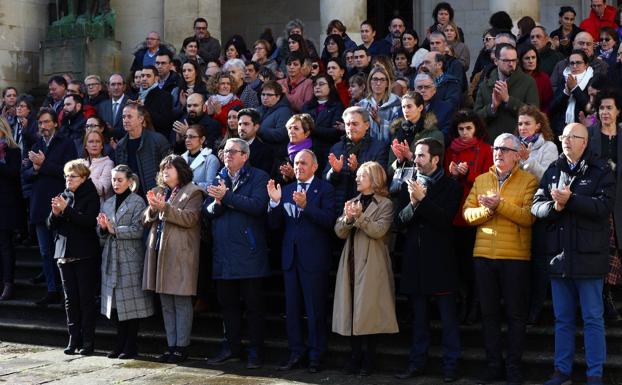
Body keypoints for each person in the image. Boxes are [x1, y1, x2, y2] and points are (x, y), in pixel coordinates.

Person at [533, 123, 615, 385]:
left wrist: (572, 201)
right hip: (559, 257)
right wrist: (555, 207)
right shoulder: (553, 169)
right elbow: (536, 207)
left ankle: (595, 375)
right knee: (563, 319)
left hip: (589, 257)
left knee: (592, 318)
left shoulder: (601, 170)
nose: (566, 141)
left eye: (573, 137)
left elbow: (604, 207)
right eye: (563, 136)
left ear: (585, 142)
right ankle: (562, 371)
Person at [463, 133, 538, 384]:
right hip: (483, 256)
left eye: (505, 149)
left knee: (516, 315)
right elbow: (467, 214)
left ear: (517, 155)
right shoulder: (482, 179)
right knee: (489, 315)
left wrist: (499, 205)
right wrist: (487, 209)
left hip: (515, 257)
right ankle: (494, 366)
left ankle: (514, 367)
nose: (498, 153)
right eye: (496, 148)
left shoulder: (529, 181)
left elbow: (528, 217)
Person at [394, 138, 462, 382]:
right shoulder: (408, 184)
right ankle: (416, 364)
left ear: (435, 159)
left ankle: (451, 367)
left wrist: (423, 201)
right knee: (419, 320)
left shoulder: (451, 186)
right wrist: (413, 203)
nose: (416, 160)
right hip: (415, 261)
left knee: (448, 320)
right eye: (416, 156)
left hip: (441, 261)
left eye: (421, 156)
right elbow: (399, 221)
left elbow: (444, 220)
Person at [266, 149, 336, 373]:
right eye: (296, 163)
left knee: (315, 311)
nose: (298, 167)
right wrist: (275, 204)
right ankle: (296, 352)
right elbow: (275, 225)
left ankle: (317, 356)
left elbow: (329, 221)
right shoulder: (286, 190)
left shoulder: (325, 189)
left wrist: (307, 207)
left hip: (314, 260)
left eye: (303, 163)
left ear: (315, 167)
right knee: (292, 310)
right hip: (290, 260)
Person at [204, 138, 270, 369]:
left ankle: (255, 352)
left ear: (245, 156)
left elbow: (257, 206)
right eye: (225, 151)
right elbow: (208, 209)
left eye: (233, 151)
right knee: (228, 306)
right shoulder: (219, 177)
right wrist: (218, 203)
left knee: (253, 308)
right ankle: (231, 347)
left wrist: (226, 197)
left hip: (249, 252)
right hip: (224, 254)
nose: (227, 155)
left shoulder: (259, 177)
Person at [332, 161, 398, 376]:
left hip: (372, 263)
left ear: (375, 179)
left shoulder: (386, 204)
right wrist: (348, 218)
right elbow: (339, 232)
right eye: (357, 175)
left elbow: (379, 231)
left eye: (362, 175)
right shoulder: (352, 201)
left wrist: (359, 217)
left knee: (369, 311)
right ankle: (354, 357)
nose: (357, 178)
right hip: (351, 260)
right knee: (352, 308)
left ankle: (369, 359)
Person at [143, 154, 204, 363]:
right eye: (162, 169)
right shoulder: (161, 191)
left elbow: (190, 218)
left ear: (181, 170)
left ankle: (181, 347)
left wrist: (165, 208)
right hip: (160, 252)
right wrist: (153, 208)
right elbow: (145, 218)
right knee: (166, 302)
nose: (165, 172)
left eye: (169, 168)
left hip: (181, 254)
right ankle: (171, 346)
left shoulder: (193, 191)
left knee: (181, 301)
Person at [97, 164, 154, 359]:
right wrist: (104, 229)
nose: (116, 183)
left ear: (130, 182)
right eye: (113, 180)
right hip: (111, 257)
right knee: (116, 305)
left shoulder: (137, 202)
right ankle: (119, 343)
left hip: (130, 258)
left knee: (131, 304)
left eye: (120, 180)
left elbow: (138, 231)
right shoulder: (107, 202)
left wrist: (115, 230)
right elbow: (102, 235)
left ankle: (131, 345)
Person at [443, 110, 493, 324]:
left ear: (476, 129)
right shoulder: (450, 151)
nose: (464, 133)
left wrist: (467, 175)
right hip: (454, 213)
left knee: (474, 264)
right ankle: (463, 301)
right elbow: (445, 179)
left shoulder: (484, 150)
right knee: (458, 263)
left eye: (468, 128)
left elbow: (489, 178)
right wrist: (453, 175)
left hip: (475, 213)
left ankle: (475, 303)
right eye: (461, 129)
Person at [24, 108, 78, 306]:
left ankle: (66, 290)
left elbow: (69, 173)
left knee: (62, 251)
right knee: (45, 252)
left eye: (47, 122)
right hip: (39, 204)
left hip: (60, 204)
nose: (43, 126)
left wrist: (43, 164)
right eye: (40, 123)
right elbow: (26, 174)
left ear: (55, 123)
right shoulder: (36, 144)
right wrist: (36, 168)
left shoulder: (66, 143)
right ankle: (51, 289)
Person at [48, 159, 101, 355]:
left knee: (86, 299)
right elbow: (50, 225)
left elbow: (88, 222)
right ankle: (73, 339)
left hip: (85, 254)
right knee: (70, 300)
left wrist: (66, 210)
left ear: (84, 177)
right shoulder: (64, 195)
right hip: (63, 253)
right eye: (66, 176)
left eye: (73, 176)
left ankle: (88, 341)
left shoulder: (91, 195)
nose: (68, 179)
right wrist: (54, 214)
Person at [587, 89, 622, 323]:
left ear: (618, 111)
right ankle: (605, 298)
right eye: (601, 108)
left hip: (620, 202)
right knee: (602, 252)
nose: (605, 112)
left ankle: (608, 296)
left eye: (609, 108)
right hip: (597, 203)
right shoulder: (589, 135)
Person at [324, 106, 388, 216]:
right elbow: (325, 179)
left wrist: (357, 169)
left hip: (366, 208)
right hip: (338, 207)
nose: (350, 128)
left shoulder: (379, 147)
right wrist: (334, 171)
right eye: (348, 124)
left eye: (355, 124)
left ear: (367, 125)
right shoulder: (336, 148)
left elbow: (380, 179)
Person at [474, 43, 540, 142]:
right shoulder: (485, 85)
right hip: (492, 144)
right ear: (496, 61)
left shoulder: (528, 82)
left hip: (519, 143)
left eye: (514, 60)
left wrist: (508, 100)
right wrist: (492, 107)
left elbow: (534, 115)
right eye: (506, 60)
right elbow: (476, 120)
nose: (511, 64)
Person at [115, 103, 171, 197]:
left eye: (129, 117)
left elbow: (169, 169)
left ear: (141, 119)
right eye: (123, 117)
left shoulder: (158, 140)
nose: (125, 120)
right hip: (131, 198)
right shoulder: (120, 145)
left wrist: (161, 189)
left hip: (156, 195)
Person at [389, 91, 444, 182]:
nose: (405, 110)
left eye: (409, 106)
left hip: (424, 186)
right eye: (403, 107)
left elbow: (434, 169)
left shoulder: (434, 134)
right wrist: (399, 160)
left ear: (420, 107)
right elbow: (389, 171)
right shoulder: (397, 133)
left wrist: (410, 157)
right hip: (400, 186)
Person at [302, 74, 344, 172]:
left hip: (327, 151)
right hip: (307, 149)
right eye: (315, 85)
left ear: (330, 87)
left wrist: (311, 129)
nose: (317, 87)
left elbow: (335, 132)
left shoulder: (337, 106)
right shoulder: (307, 106)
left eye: (321, 84)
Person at [0, 119, 22, 300]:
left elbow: (14, 174)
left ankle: (9, 283)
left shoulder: (13, 151)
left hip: (6, 206)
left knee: (6, 246)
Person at [550, 50, 594, 135]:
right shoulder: (565, 79)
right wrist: (566, 93)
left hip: (584, 129)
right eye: (572, 63)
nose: (574, 66)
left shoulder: (592, 81)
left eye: (578, 63)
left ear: (586, 65)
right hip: (562, 130)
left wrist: (575, 88)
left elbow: (591, 109)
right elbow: (552, 108)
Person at [357, 66, 401, 143]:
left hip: (389, 149)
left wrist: (380, 121)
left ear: (387, 83)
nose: (378, 83)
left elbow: (398, 131)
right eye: (375, 79)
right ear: (370, 82)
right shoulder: (362, 104)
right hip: (367, 149)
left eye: (382, 80)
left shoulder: (397, 104)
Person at [138, 66, 174, 139]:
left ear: (156, 79)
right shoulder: (135, 96)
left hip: (155, 141)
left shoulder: (165, 96)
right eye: (142, 76)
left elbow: (165, 123)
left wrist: (144, 108)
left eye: (148, 76)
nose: (144, 79)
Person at [180, 124, 219, 190]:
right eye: (186, 137)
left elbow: (211, 185)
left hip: (200, 199)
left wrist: (191, 185)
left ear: (202, 139)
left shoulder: (211, 159)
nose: (187, 140)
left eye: (191, 137)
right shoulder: (181, 158)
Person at [518, 44, 554, 113]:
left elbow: (548, 104)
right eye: (527, 58)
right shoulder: (515, 77)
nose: (531, 61)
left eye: (533, 57)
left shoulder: (544, 78)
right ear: (520, 61)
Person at [82, 129, 114, 205]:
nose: (94, 145)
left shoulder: (108, 163)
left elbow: (102, 190)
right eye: (91, 142)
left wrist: (83, 176)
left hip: (101, 209)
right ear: (85, 146)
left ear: (102, 145)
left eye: (98, 141)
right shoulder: (81, 164)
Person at [237, 108, 273, 174]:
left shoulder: (265, 151)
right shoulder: (230, 146)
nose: (241, 128)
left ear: (256, 127)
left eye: (246, 124)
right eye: (239, 124)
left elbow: (261, 177)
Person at [257, 81, 293, 148]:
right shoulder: (258, 109)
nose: (265, 97)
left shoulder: (284, 112)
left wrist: (258, 129)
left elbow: (280, 135)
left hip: (274, 152)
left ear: (278, 97)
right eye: (263, 94)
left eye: (269, 95)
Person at [97, 73, 128, 140]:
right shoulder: (102, 106)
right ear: (108, 87)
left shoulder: (131, 103)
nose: (116, 87)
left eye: (119, 84)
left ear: (124, 86)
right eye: (113, 84)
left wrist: (113, 130)